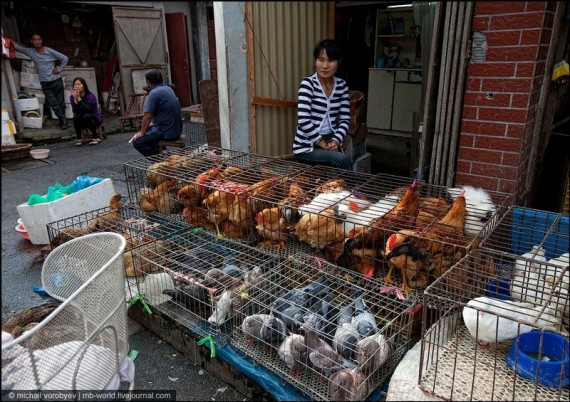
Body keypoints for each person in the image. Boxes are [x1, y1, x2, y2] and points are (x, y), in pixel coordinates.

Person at [293, 39, 353, 171]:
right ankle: (355, 190)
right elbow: (303, 120)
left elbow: (345, 119)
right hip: (307, 146)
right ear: (315, 61)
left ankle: (344, 190)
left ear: (338, 62)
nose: (325, 65)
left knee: (335, 177)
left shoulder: (341, 86)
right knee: (342, 160)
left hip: (331, 142)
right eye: (321, 60)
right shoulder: (308, 84)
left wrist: (336, 141)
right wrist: (322, 143)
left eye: (331, 61)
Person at [13, 33, 70, 129]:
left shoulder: (49, 51)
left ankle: (62, 121)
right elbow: (18, 48)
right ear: (31, 41)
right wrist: (8, 40)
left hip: (56, 81)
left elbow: (65, 58)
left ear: (42, 40)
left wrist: (59, 69)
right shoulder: (31, 52)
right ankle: (63, 121)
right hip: (45, 83)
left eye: (39, 39)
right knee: (53, 103)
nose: (37, 42)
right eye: (34, 40)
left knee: (60, 102)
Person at [131, 69, 182, 157]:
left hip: (167, 132)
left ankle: (162, 160)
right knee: (149, 129)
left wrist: (142, 132)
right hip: (176, 129)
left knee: (138, 142)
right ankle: (163, 152)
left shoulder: (154, 93)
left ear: (148, 82)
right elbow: (165, 112)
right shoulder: (168, 88)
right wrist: (151, 124)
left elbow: (147, 115)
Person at [70, 77, 103, 146]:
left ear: (84, 86)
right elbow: (75, 111)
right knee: (76, 116)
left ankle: (96, 137)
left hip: (94, 119)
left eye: (79, 84)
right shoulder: (72, 97)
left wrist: (79, 98)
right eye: (75, 85)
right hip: (83, 120)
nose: (77, 86)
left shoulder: (91, 96)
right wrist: (75, 101)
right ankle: (79, 138)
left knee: (86, 115)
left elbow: (88, 109)